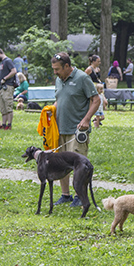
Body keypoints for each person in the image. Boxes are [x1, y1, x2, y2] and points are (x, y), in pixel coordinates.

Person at [50, 52, 99, 207]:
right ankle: (65, 195)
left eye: (57, 69)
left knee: (78, 165)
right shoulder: (59, 80)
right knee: (59, 164)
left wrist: (86, 119)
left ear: (67, 66)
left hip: (77, 131)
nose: (55, 72)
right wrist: (49, 112)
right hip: (60, 129)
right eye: (53, 69)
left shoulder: (82, 78)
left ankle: (80, 196)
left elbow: (96, 100)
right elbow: (59, 100)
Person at [0, 48, 17, 130]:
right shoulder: (2, 63)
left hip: (8, 86)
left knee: (8, 106)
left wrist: (5, 78)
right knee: (2, 107)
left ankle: (9, 125)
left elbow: (14, 71)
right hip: (1, 88)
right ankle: (3, 124)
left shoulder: (8, 61)